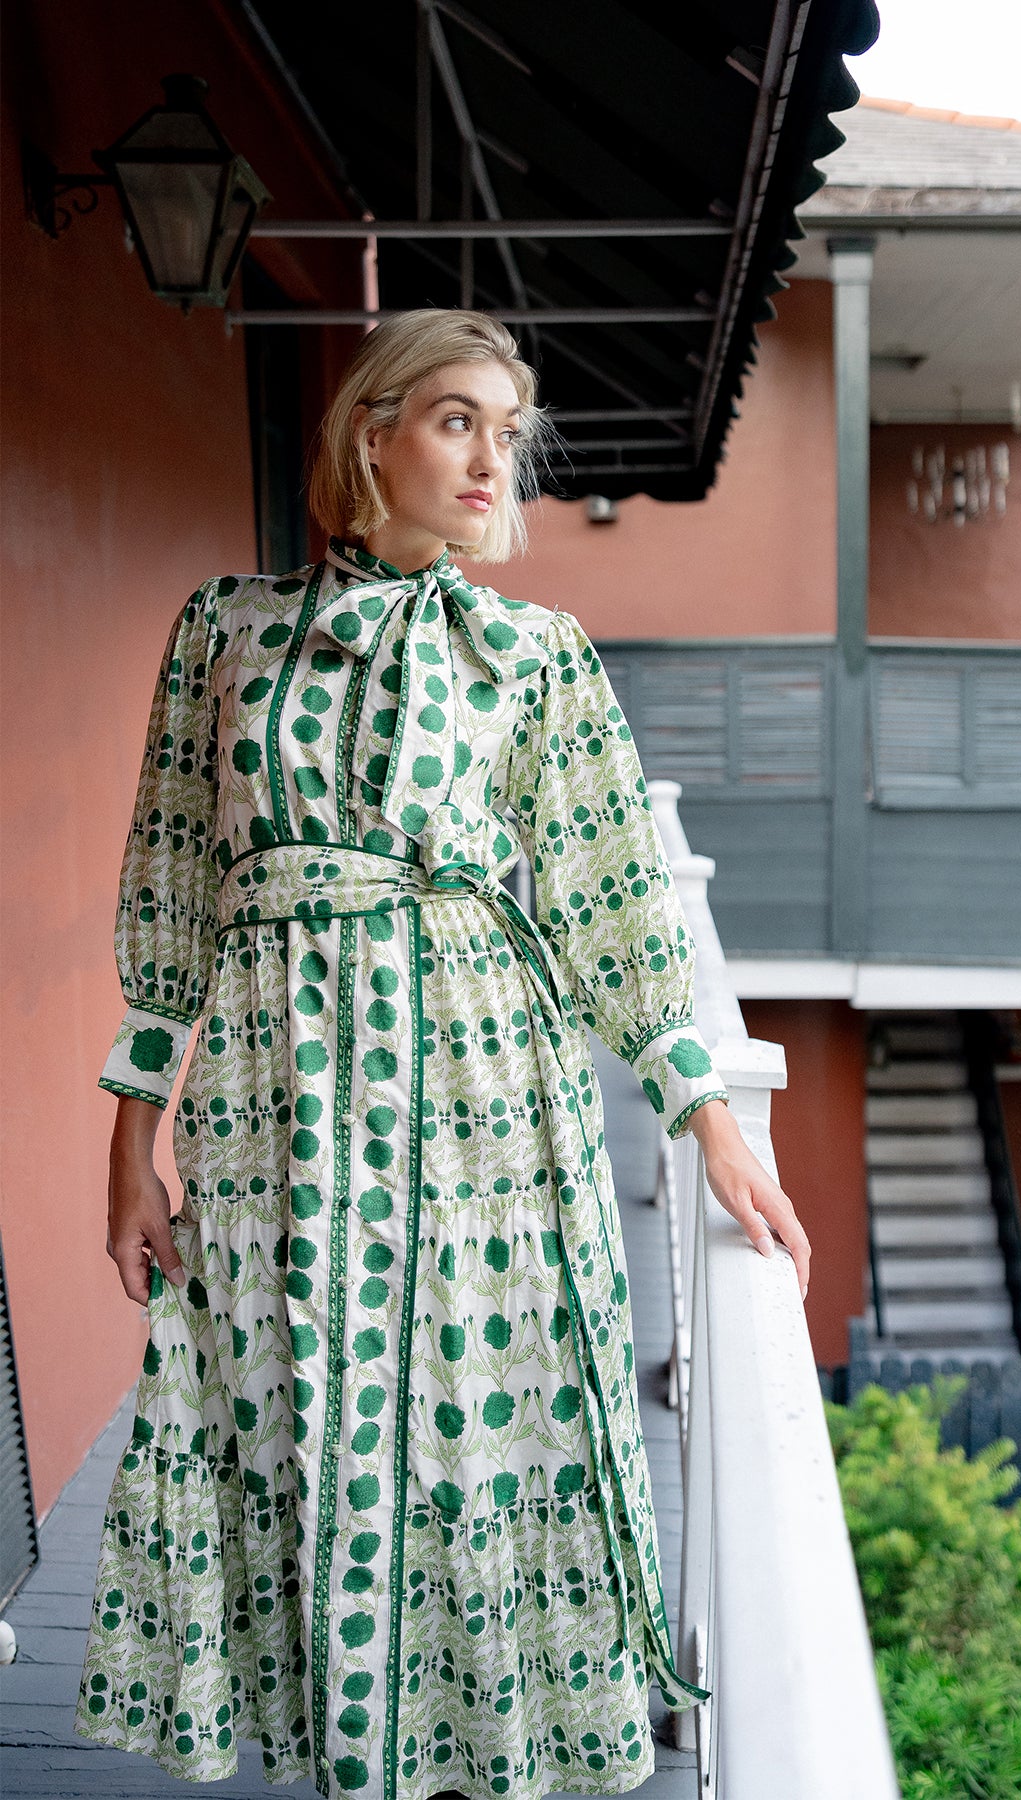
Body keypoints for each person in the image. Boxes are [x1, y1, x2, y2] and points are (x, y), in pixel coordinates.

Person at [74, 308, 811, 1800]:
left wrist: (710, 1123)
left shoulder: (534, 653)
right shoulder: (223, 629)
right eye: (457, 419)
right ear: (373, 432)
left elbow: (613, 903)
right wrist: (129, 1149)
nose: (492, 460)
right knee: (298, 1407)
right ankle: (352, 1753)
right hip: (272, 1096)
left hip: (482, 1091)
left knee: (471, 1423)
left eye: (506, 431)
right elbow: (169, 888)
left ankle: (469, 1759)